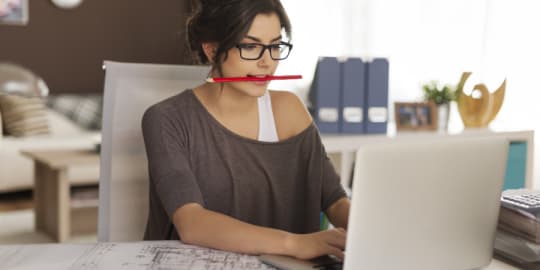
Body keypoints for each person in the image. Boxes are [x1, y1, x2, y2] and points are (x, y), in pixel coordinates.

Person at [141, 0, 350, 260]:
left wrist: (368, 230)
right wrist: (295, 244)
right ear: (212, 49)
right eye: (251, 46)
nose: (267, 62)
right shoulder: (166, 119)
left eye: (274, 46)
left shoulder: (290, 110)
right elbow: (192, 222)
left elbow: (335, 200)